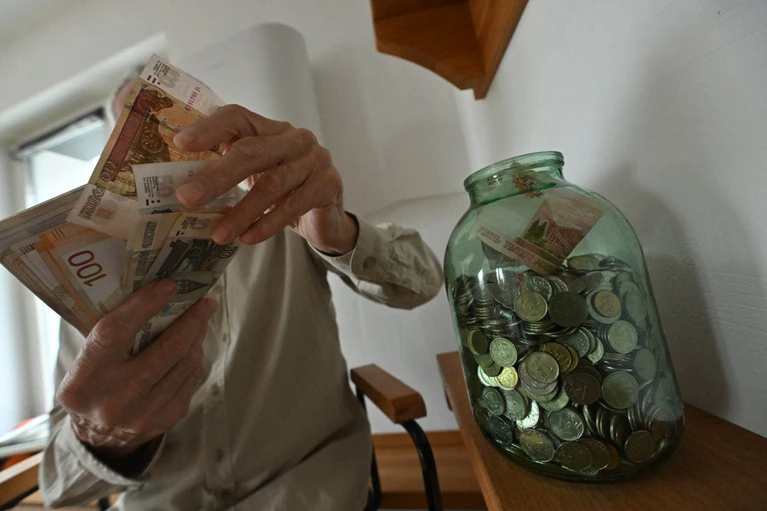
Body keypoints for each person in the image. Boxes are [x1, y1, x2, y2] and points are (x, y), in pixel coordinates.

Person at [39, 71, 443, 510]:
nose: (156, 148)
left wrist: (340, 233)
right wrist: (103, 437)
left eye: (169, 126)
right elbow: (59, 486)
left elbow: (423, 281)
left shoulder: (287, 212)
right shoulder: (90, 283)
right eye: (132, 135)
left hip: (307, 493)